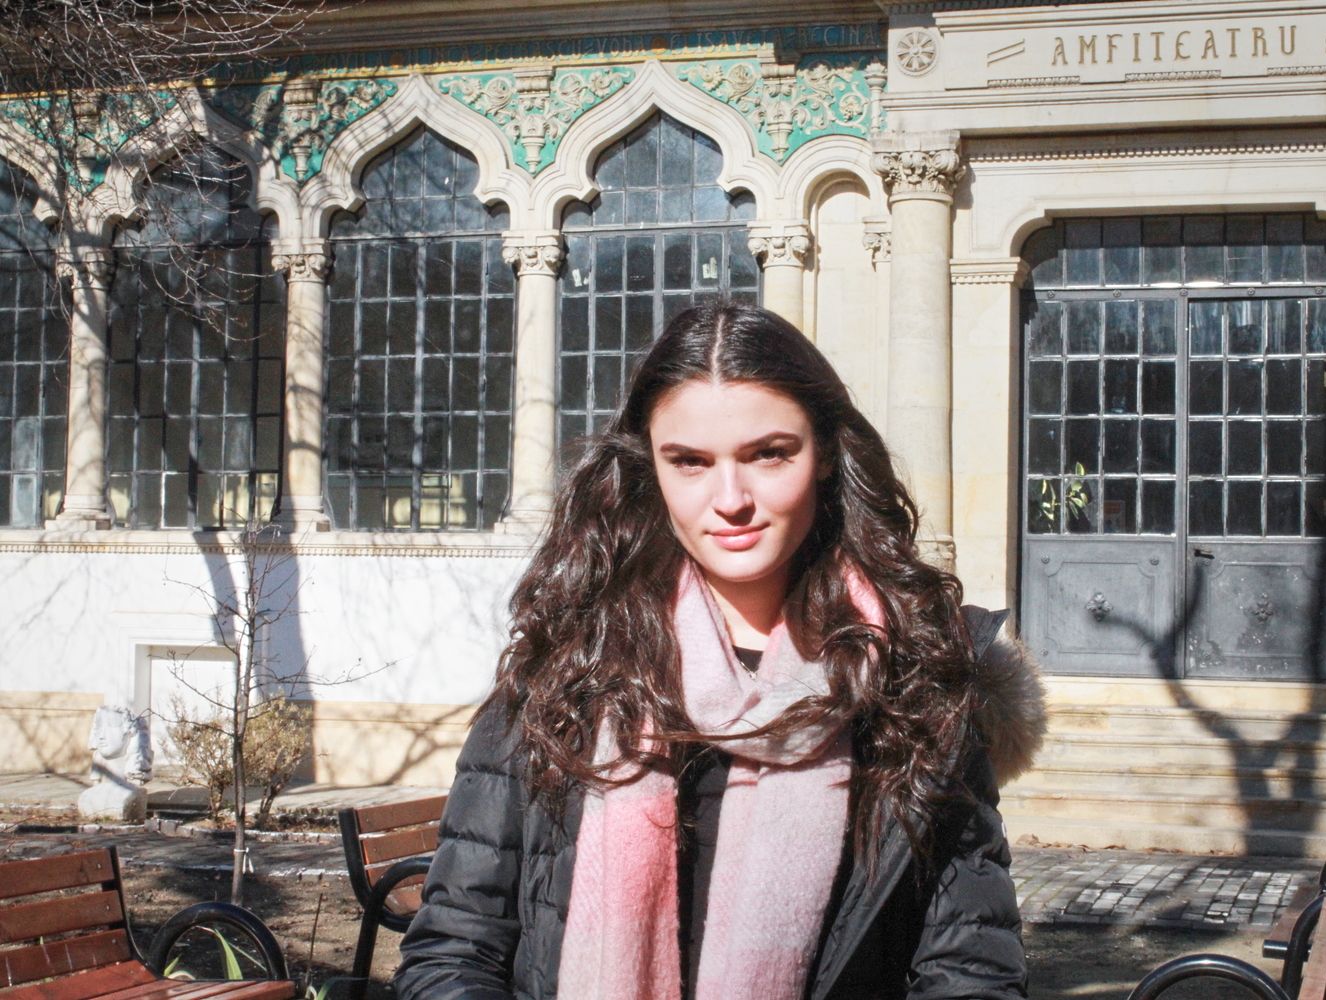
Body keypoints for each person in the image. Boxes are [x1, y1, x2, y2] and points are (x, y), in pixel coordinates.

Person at [394, 303, 1047, 1000]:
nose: (729, 499)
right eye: (691, 463)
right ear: (652, 465)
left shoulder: (914, 685)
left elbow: (968, 970)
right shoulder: (566, 669)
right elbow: (454, 952)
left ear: (824, 454)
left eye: (769, 454)